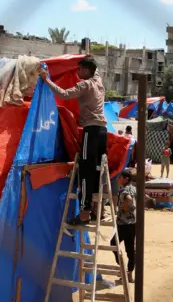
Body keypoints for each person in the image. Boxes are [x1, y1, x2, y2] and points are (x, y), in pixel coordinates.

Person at [39, 56, 107, 225]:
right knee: (98, 171)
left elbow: (64, 94)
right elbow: (94, 68)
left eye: (79, 70)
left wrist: (46, 79)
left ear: (85, 70)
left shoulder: (85, 85)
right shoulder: (99, 82)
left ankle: (84, 214)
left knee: (85, 172)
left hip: (90, 131)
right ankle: (98, 210)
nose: (76, 73)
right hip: (102, 132)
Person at [110, 170, 136, 283]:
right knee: (130, 249)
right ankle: (129, 273)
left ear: (126, 179)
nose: (118, 179)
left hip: (123, 224)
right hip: (133, 223)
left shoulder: (125, 190)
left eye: (120, 177)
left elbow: (129, 199)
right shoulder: (133, 188)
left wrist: (126, 208)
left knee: (113, 244)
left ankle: (122, 269)